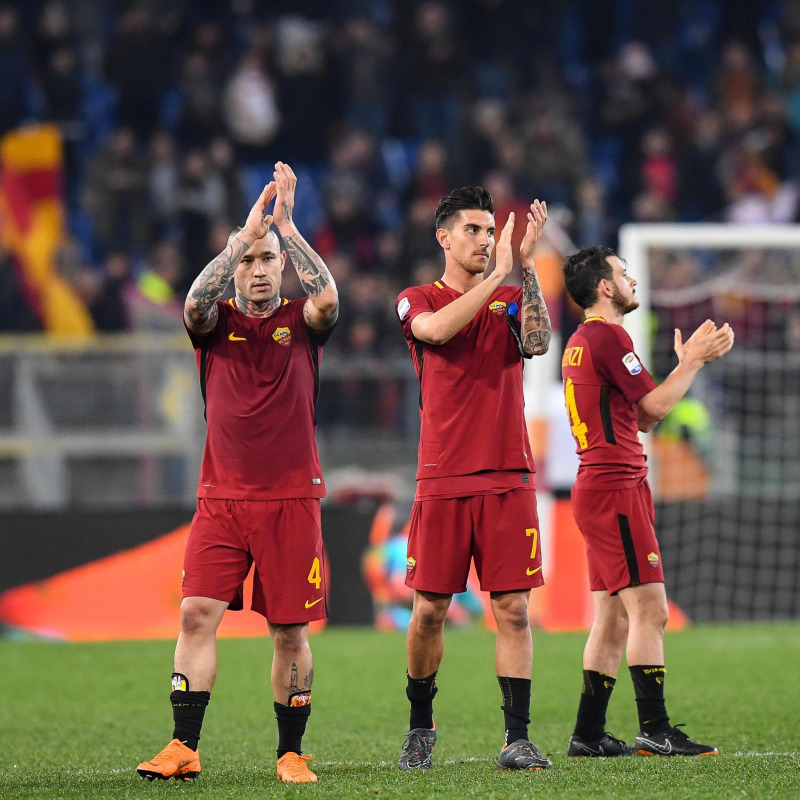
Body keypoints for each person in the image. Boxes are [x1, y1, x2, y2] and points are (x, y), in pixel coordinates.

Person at [136, 162, 338, 784]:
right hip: (221, 498)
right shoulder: (216, 323)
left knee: (288, 631)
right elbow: (193, 303)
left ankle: (291, 753)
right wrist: (237, 239)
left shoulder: (302, 322)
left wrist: (288, 228)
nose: (256, 270)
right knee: (196, 612)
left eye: (266, 260)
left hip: (290, 501)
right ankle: (183, 748)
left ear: (281, 266)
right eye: (248, 261)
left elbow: (330, 297)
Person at [395, 186, 553, 771]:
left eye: (491, 231)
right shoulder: (416, 299)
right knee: (430, 609)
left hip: (508, 473)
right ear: (444, 236)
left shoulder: (511, 295)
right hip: (442, 475)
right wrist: (499, 278)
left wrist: (528, 269)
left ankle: (517, 737)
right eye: (474, 230)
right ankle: (420, 726)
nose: (486, 241)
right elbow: (435, 332)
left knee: (512, 609)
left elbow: (536, 342)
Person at [561, 245, 733, 758]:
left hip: (601, 483)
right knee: (651, 611)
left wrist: (684, 366)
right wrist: (692, 362)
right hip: (614, 485)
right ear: (605, 287)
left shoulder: (581, 340)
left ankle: (588, 734)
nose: (632, 278)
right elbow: (654, 408)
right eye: (622, 272)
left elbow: (640, 416)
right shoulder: (608, 336)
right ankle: (654, 729)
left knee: (612, 617)